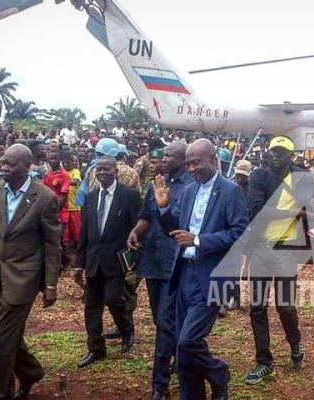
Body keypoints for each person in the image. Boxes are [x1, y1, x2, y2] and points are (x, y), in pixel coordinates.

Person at [0, 144, 61, 400]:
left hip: (23, 279)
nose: (4, 167)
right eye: (3, 162)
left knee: (4, 340)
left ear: (27, 167)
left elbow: (52, 244)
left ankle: (1, 394)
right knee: (8, 336)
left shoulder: (45, 197)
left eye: (11, 164)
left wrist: (51, 285)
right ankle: (30, 371)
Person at [153, 138, 248, 400]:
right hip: (183, 273)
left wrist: (199, 240)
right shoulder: (188, 191)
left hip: (211, 276)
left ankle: (219, 374)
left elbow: (240, 232)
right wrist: (163, 210)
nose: (192, 168)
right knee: (183, 352)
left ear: (213, 160)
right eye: (188, 164)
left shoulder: (230, 191)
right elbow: (176, 232)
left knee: (188, 341)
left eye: (197, 162)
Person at [243, 136, 314, 385]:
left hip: (286, 251)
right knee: (257, 307)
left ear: (291, 156)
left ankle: (295, 343)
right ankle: (264, 362)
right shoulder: (259, 177)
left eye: (281, 152)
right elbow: (255, 212)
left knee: (285, 306)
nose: (275, 156)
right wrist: (291, 212)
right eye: (273, 151)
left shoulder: (302, 177)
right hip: (260, 251)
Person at [127, 141, 192, 399]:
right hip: (152, 259)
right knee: (160, 320)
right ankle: (177, 354)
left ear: (183, 159)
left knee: (165, 322)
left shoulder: (191, 187)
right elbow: (147, 215)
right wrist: (135, 231)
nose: (164, 159)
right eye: (163, 155)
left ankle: (159, 385)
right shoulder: (157, 183)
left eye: (169, 156)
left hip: (175, 262)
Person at [74, 156, 141, 367]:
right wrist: (79, 263)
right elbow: (84, 232)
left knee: (113, 299)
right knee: (91, 305)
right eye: (98, 169)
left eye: (106, 169)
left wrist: (134, 259)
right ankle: (96, 348)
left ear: (115, 171)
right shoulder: (91, 196)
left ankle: (126, 329)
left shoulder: (129, 195)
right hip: (94, 260)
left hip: (117, 260)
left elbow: (138, 228)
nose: (102, 173)